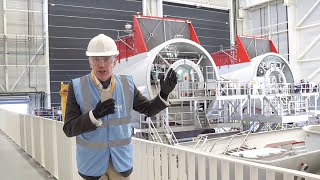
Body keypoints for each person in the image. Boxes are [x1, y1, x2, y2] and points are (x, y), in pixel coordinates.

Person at [63, 34, 177, 180]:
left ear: (115, 61)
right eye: (96, 59)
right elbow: (69, 128)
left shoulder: (126, 84)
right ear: (90, 62)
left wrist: (163, 94)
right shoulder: (77, 86)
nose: (101, 64)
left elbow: (148, 109)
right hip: (92, 166)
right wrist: (94, 115)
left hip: (121, 165)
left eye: (106, 59)